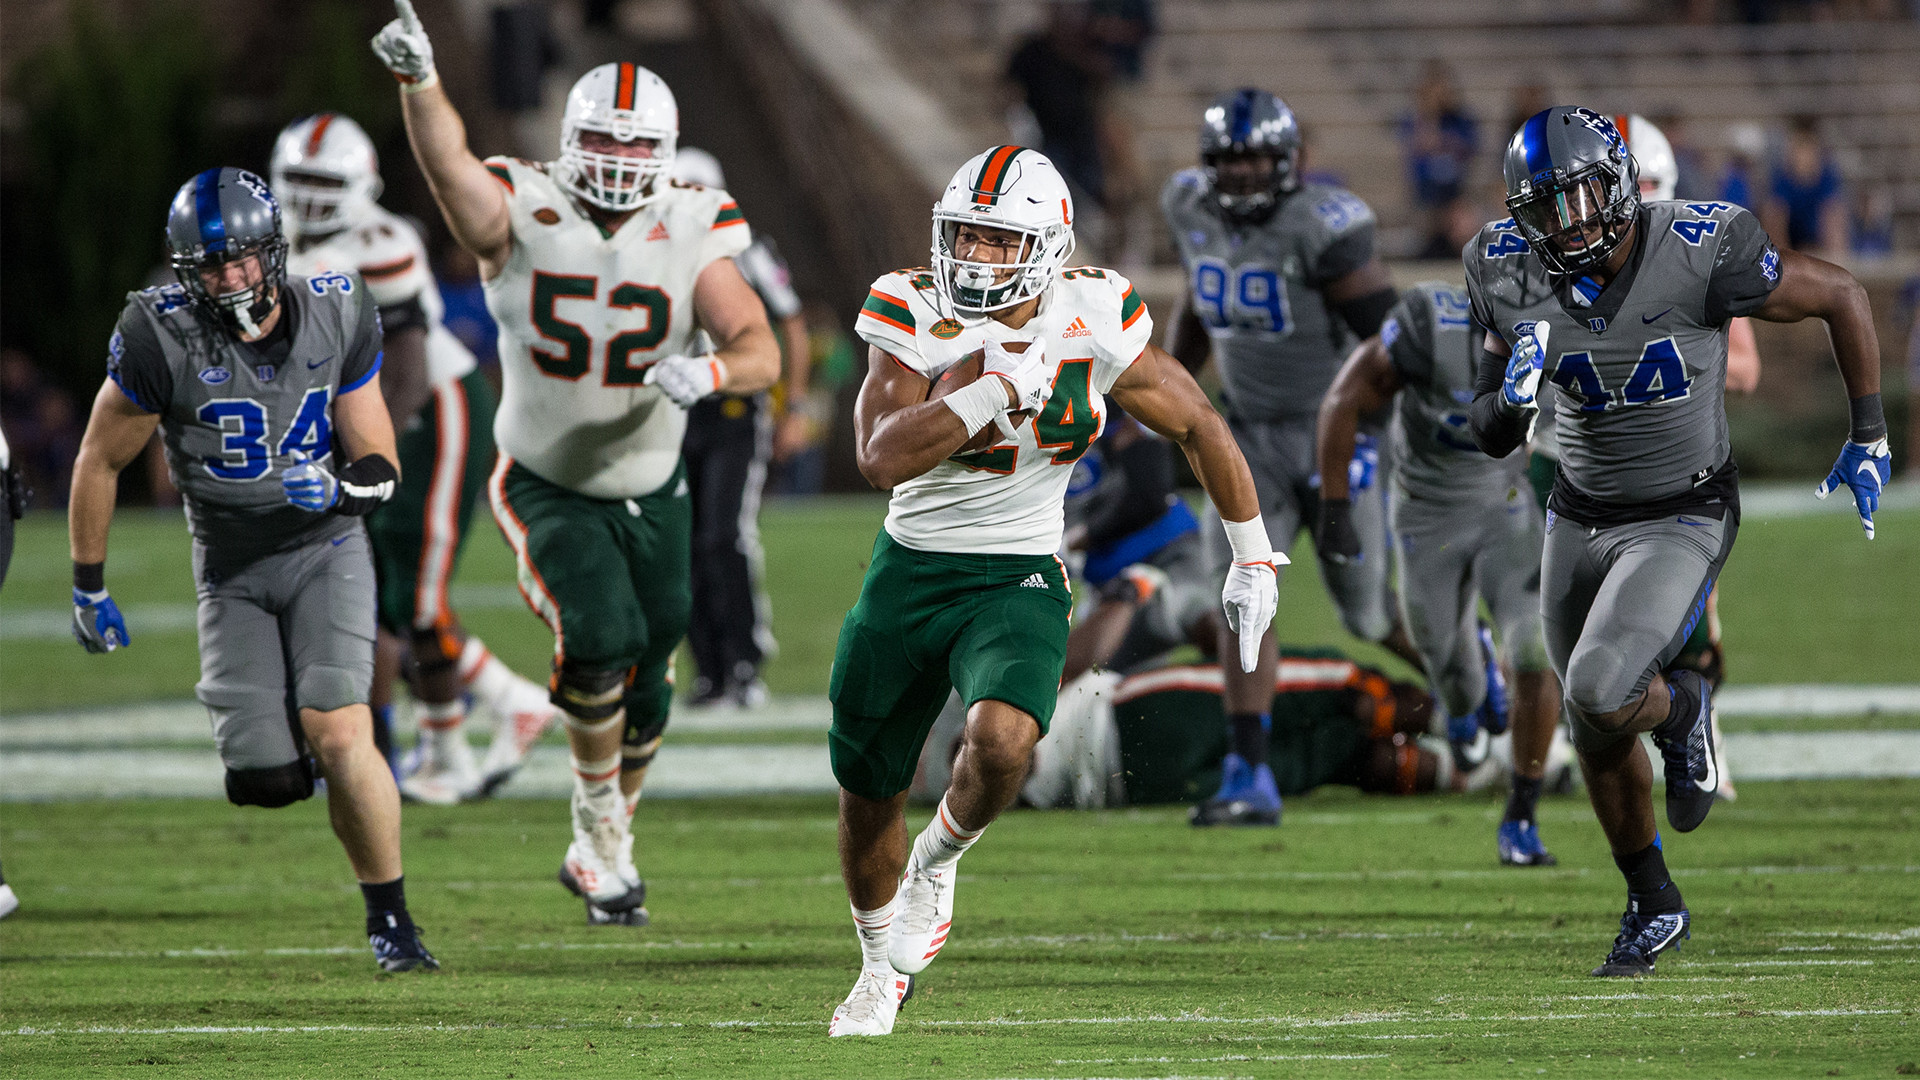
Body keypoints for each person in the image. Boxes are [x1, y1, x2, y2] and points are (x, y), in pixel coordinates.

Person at [828, 145, 1278, 1035]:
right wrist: (993, 386)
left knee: (1001, 741)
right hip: (910, 570)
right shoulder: (912, 305)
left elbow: (1195, 420)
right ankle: (880, 967)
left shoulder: (1093, 310)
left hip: (1020, 570)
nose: (976, 259)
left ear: (1048, 246)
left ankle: (944, 855)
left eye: (999, 242)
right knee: (866, 790)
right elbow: (879, 455)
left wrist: (1253, 553)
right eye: (966, 238)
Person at [373, 3, 780, 927]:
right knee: (598, 635)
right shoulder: (522, 201)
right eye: (603, 139)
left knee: (650, 672)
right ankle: (597, 825)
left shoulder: (693, 219)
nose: (621, 160)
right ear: (569, 137)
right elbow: (453, 178)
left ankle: (605, 842)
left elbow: (760, 345)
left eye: (639, 146)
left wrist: (712, 369)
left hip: (655, 486)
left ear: (668, 151)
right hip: (546, 479)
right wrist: (420, 83)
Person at [1466, 107, 1890, 977]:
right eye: (1548, 208)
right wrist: (1508, 404)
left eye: (1585, 199)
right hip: (1577, 513)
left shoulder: (1702, 245)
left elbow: (1841, 294)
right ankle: (1652, 901)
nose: (1571, 224)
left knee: (1596, 682)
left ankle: (1686, 707)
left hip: (1683, 510)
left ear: (1621, 183)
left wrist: (1869, 432)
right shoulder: (1502, 267)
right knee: (1593, 724)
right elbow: (1489, 432)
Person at [68, 167, 436, 972]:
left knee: (341, 730)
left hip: (323, 545)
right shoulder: (155, 332)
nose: (231, 277)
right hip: (229, 565)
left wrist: (339, 485)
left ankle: (393, 924)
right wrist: (88, 583)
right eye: (211, 265)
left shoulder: (337, 307)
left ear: (274, 251)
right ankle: (293, 751)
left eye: (243, 258)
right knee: (265, 780)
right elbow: (99, 460)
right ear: (185, 269)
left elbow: (380, 458)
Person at [271, 111, 560, 803]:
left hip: (434, 412)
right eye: (299, 181)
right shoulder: (273, 242)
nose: (310, 198)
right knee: (381, 599)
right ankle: (467, 731)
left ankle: (474, 727)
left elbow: (403, 363)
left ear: (361, 184)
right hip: (369, 424)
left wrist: (360, 452)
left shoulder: (381, 241)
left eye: (324, 181)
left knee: (416, 598)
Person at [1162, 88, 1415, 829]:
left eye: (1254, 158)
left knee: (1368, 613)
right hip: (1244, 436)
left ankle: (1485, 691)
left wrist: (1368, 443)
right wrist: (1167, 388)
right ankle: (1249, 769)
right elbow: (1198, 303)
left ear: (1288, 161)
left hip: (1332, 432)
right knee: (1243, 594)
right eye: (1228, 159)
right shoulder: (1188, 208)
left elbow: (1391, 348)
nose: (1240, 173)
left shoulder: (1324, 226)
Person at [1317, 282, 1561, 866]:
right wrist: (1333, 508)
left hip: (1509, 502)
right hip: (1428, 511)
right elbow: (1343, 400)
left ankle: (1521, 813)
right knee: (1451, 673)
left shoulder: (1573, 333)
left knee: (1534, 648)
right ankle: (1465, 685)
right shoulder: (1429, 327)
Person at [668, 147, 811, 709]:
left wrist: (794, 408)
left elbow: (792, 322)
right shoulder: (648, 248)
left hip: (733, 405)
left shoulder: (743, 247)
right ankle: (708, 669)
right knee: (681, 543)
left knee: (723, 536)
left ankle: (745, 664)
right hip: (674, 407)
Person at [1058, 405, 1215, 685]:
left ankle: (1250, 713)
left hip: (1173, 552)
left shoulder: (1111, 407)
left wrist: (1088, 535)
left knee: (1211, 621)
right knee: (1073, 682)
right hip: (1107, 584)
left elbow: (1149, 497)